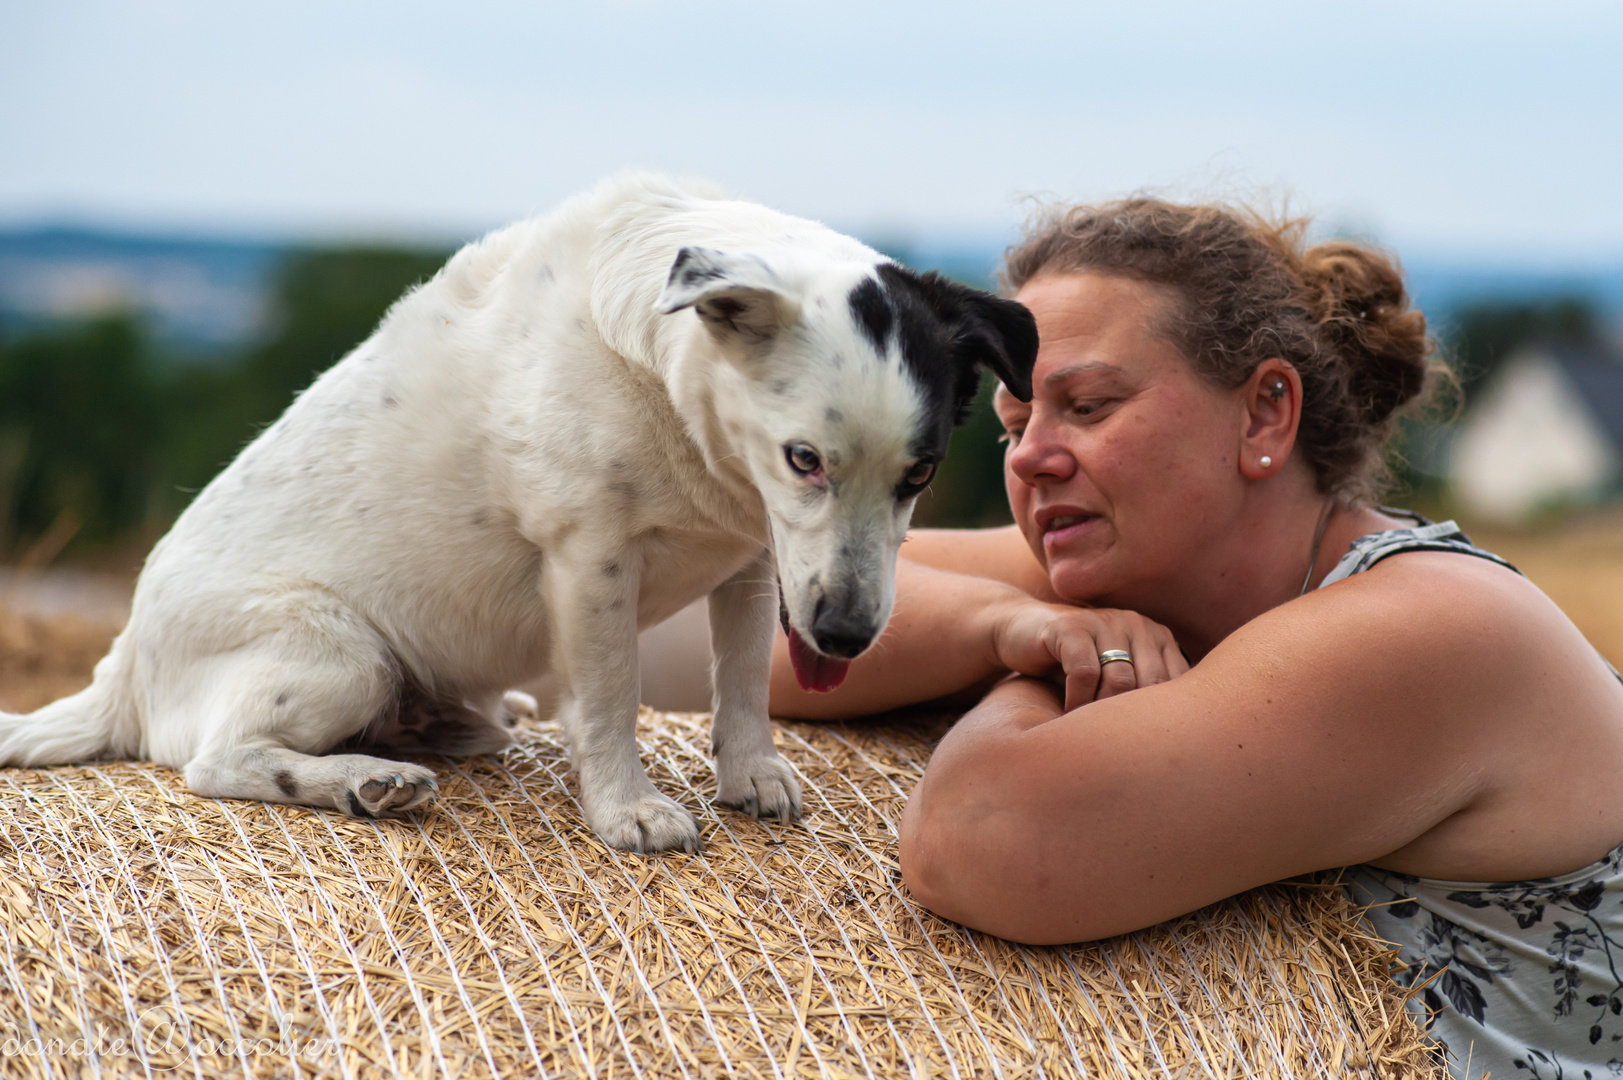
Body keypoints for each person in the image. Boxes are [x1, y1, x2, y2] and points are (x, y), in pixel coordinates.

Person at [765, 199, 1623, 1079]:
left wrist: (1041, 670)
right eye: (1013, 423)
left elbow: (978, 837)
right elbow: (737, 610)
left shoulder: (1436, 626)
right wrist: (1013, 625)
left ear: (1262, 417)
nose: (1026, 459)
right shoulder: (1131, 569)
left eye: (1087, 406)